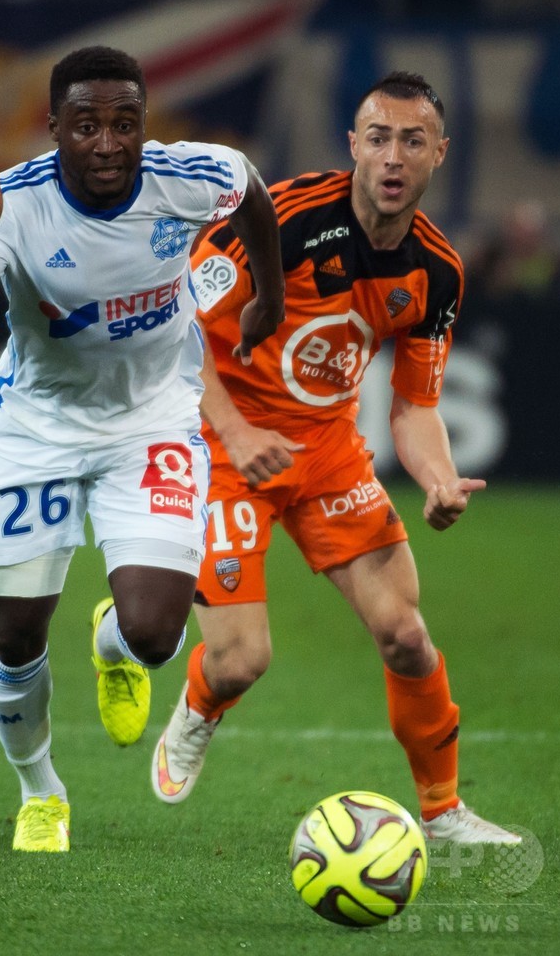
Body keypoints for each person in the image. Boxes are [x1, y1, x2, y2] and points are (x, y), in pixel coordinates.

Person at [0, 45, 285, 853]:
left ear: (145, 123)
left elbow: (252, 189)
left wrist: (270, 293)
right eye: (87, 126)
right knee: (14, 633)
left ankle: (111, 641)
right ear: (54, 128)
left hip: (153, 422)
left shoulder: (188, 177)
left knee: (155, 635)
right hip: (37, 429)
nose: (110, 143)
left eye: (126, 123)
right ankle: (40, 792)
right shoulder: (12, 206)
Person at [149, 71, 521, 845]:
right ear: (353, 145)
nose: (393, 156)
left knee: (407, 636)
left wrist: (438, 479)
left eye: (412, 141)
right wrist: (238, 433)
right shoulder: (279, 221)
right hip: (223, 444)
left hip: (327, 454)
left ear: (440, 153)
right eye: (378, 138)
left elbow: (415, 407)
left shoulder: (436, 271)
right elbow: (174, 329)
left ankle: (443, 811)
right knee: (241, 661)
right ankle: (198, 707)